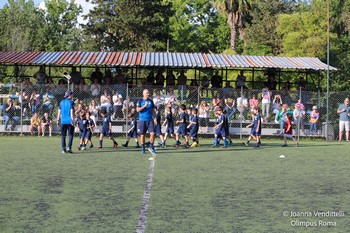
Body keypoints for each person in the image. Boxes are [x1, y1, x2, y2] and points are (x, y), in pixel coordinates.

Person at [136, 89, 157, 155]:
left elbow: (154, 110)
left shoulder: (151, 101)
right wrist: (144, 106)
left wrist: (155, 118)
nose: (148, 94)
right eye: (147, 93)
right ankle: (143, 149)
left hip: (150, 120)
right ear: (143, 94)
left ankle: (151, 147)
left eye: (148, 93)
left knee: (153, 133)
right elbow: (137, 110)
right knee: (143, 135)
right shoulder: (140, 101)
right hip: (142, 120)